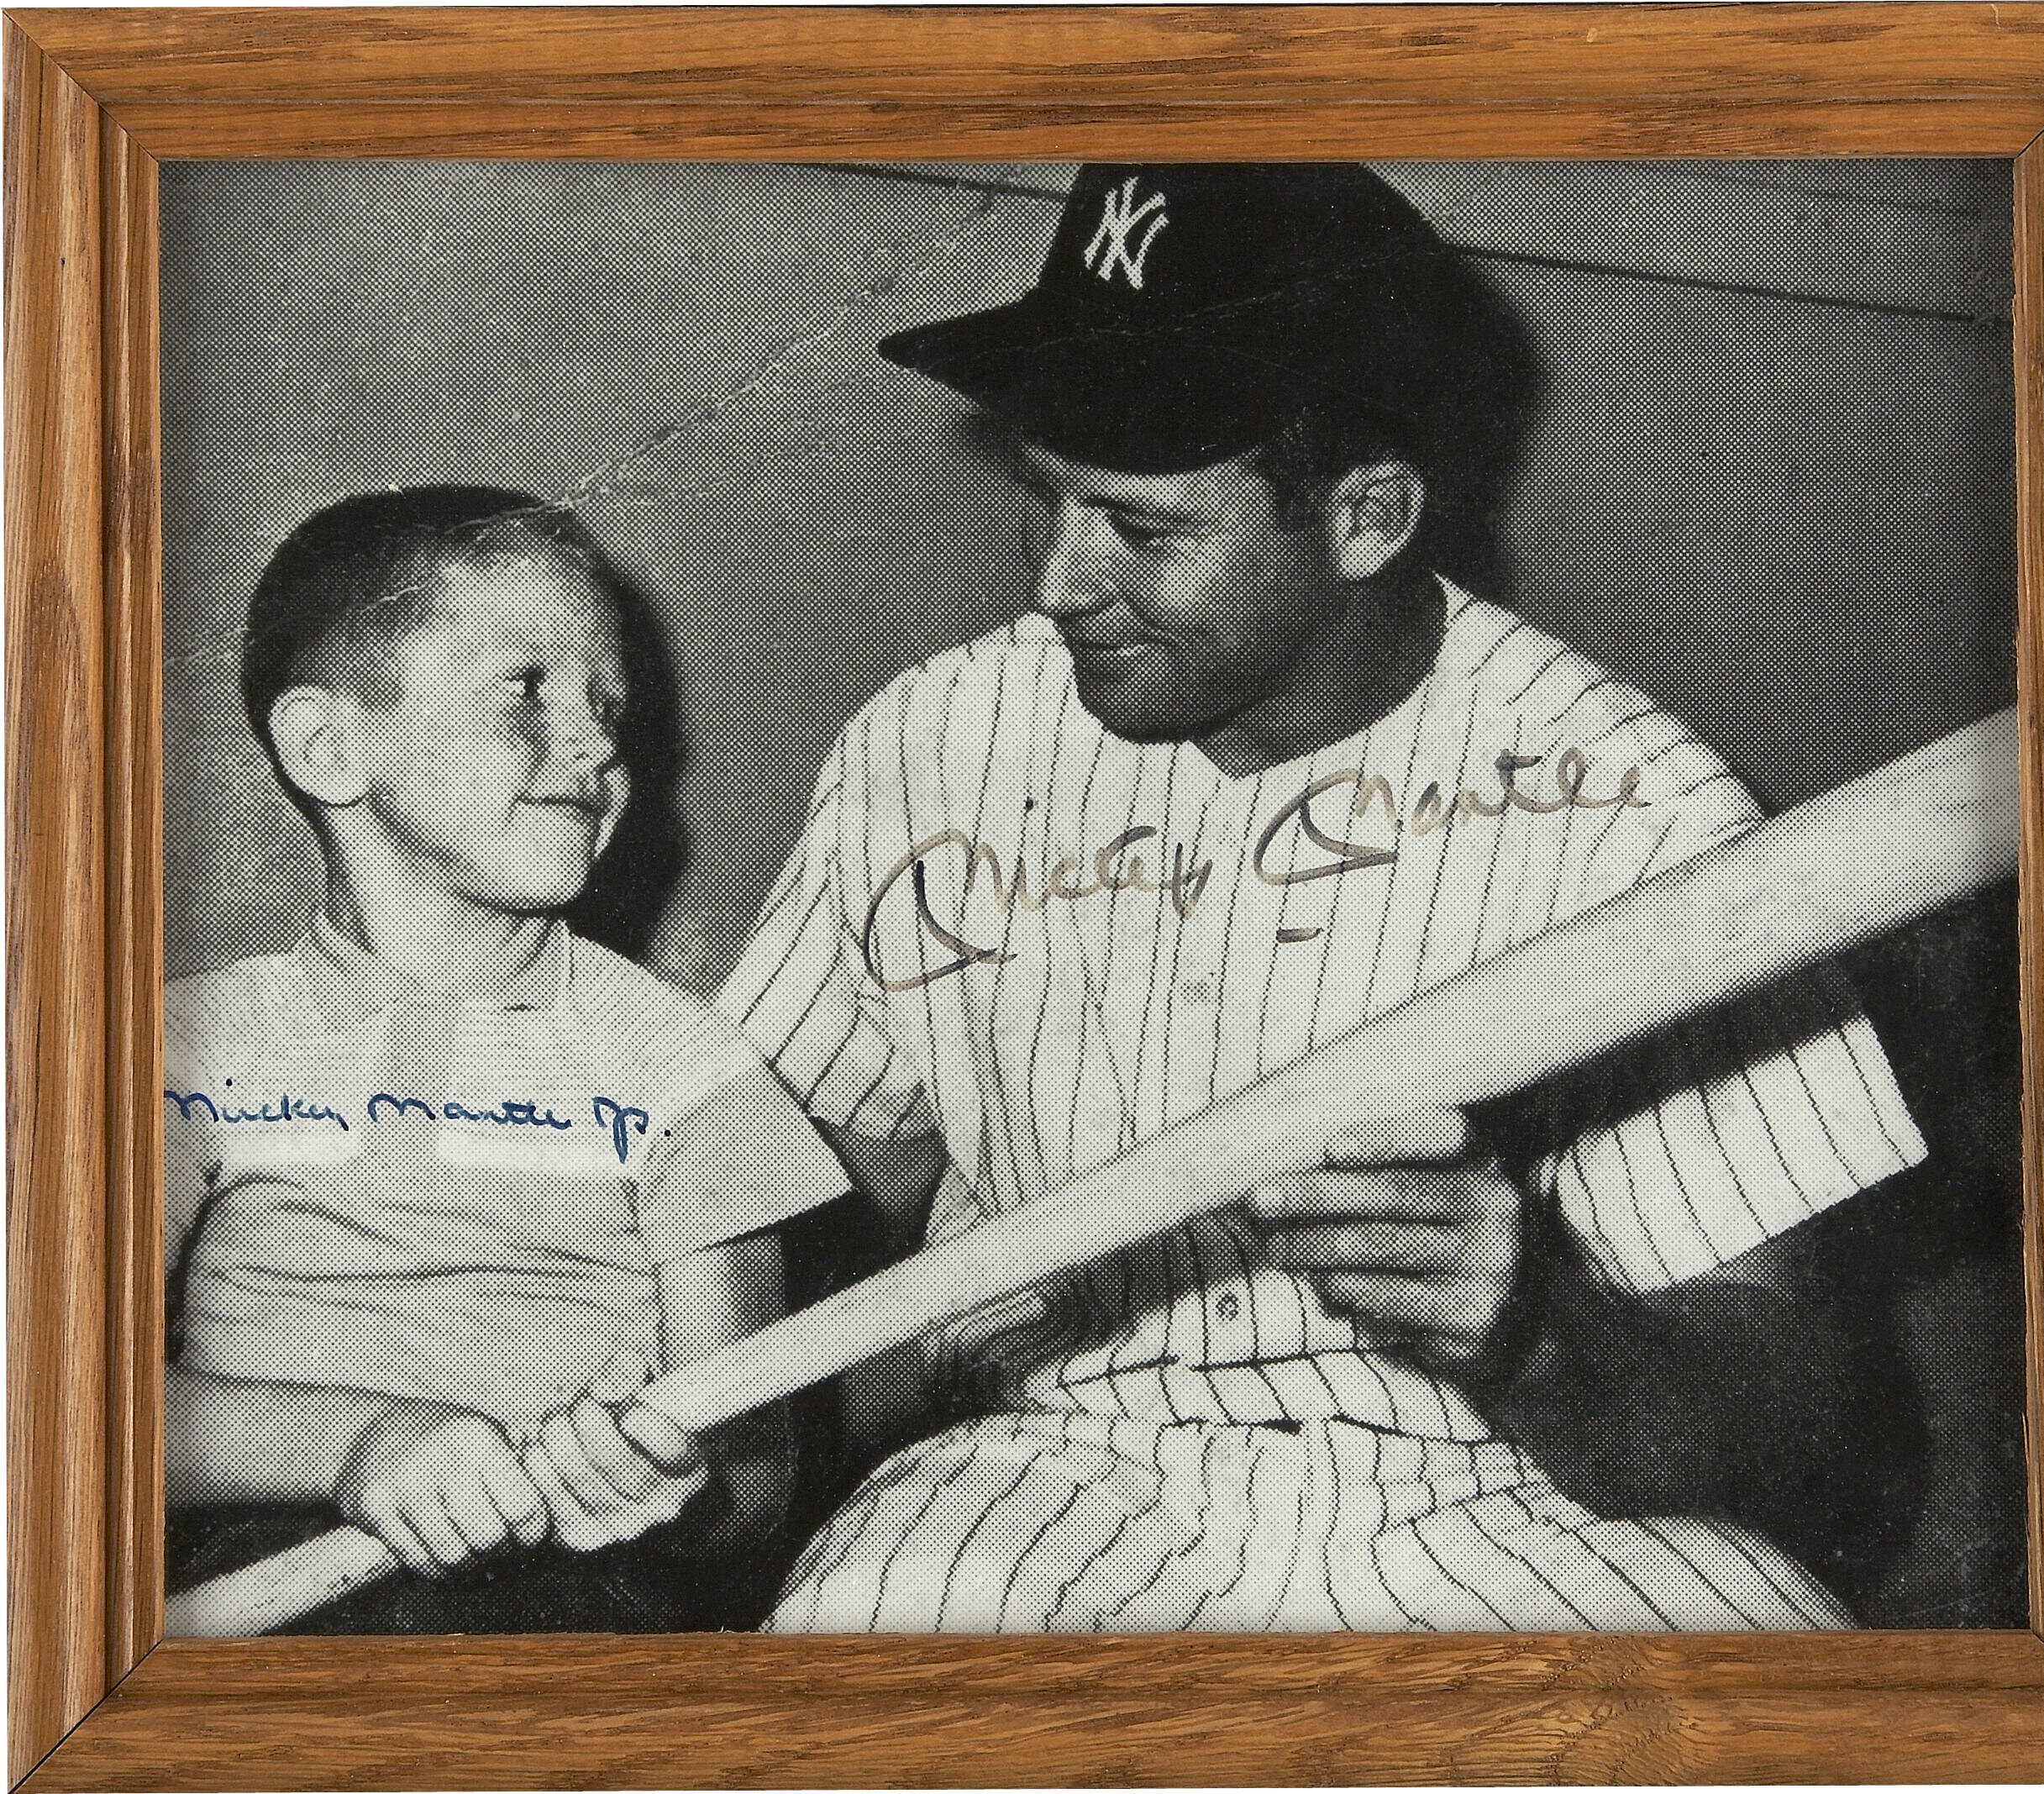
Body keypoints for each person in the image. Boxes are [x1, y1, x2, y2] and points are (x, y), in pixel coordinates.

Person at [721, 164, 1927, 1632]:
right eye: (1045, 502)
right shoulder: (930, 742)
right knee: (864, 1643)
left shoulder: (1646, 814)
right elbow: (777, 1219)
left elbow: (1810, 1432)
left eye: (1141, 530)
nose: (1055, 583)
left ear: (1365, 517)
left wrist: (1542, 1327)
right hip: (1054, 1462)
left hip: (1507, 1489)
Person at [164, 487, 849, 1631]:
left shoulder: (684, 1064)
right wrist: (358, 1444)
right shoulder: (186, 1044)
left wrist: (677, 1490)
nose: (594, 741)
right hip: (251, 1574)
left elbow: (754, 1478)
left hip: (575, 1588)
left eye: (607, 703)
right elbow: (56, 1417)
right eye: (528, 688)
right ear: (328, 746)